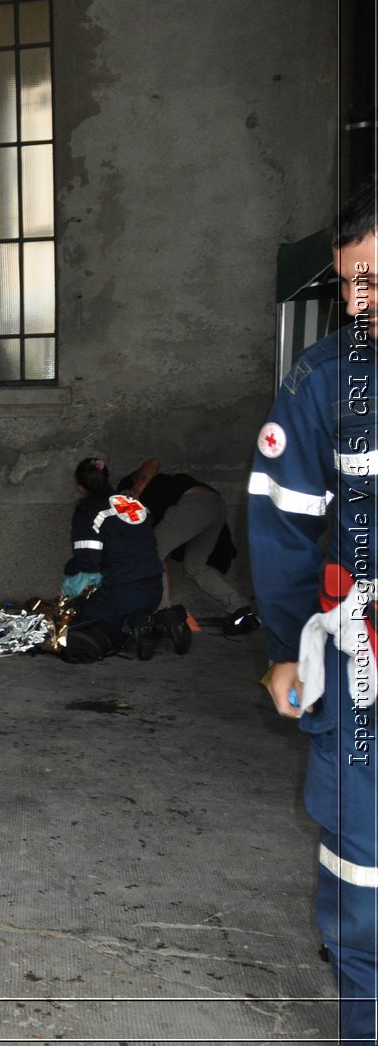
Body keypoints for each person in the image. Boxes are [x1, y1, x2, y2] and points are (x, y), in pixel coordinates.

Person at [249, 183, 377, 1043]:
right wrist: (284, 649)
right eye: (355, 284)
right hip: (363, 669)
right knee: (361, 870)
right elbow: (282, 521)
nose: (365, 300)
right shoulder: (325, 378)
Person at [118, 457, 259, 636]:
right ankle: (240, 608)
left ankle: (164, 614)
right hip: (214, 504)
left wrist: (136, 489)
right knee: (195, 567)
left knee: (152, 553)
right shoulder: (150, 503)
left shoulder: (137, 484)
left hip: (194, 501)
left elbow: (153, 462)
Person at [59, 458, 164, 663]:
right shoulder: (134, 503)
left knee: (74, 628)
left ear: (81, 488)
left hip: (121, 592)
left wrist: (69, 584)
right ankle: (157, 621)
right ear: (109, 478)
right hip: (153, 590)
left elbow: (88, 564)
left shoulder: (88, 511)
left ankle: (129, 625)